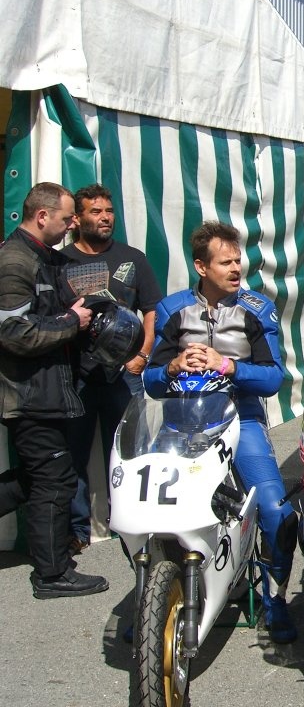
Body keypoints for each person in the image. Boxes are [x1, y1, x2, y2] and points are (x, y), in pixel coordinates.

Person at [143, 221, 298, 644]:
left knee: (276, 512)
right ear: (201, 267)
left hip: (240, 416)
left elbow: (273, 379)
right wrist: (172, 366)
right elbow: (151, 382)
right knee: (144, 506)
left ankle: (275, 597)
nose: (236, 268)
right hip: (182, 419)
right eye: (225, 262)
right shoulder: (173, 308)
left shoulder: (257, 309)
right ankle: (152, 601)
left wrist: (227, 365)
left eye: (237, 260)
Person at [0, 182, 109, 598]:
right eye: (66, 218)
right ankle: (51, 574)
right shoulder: (15, 260)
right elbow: (13, 332)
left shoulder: (45, 258)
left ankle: (52, 565)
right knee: (54, 479)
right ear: (42, 216)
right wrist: (70, 322)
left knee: (42, 476)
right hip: (28, 394)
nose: (72, 225)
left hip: (48, 390)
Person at [62, 184, 161, 554]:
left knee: (128, 451)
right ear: (77, 219)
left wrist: (142, 355)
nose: (105, 218)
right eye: (95, 211)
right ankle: (76, 530)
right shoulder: (61, 261)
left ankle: (128, 521)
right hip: (77, 375)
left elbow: (152, 309)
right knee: (73, 453)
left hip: (124, 373)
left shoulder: (132, 258)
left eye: (109, 211)